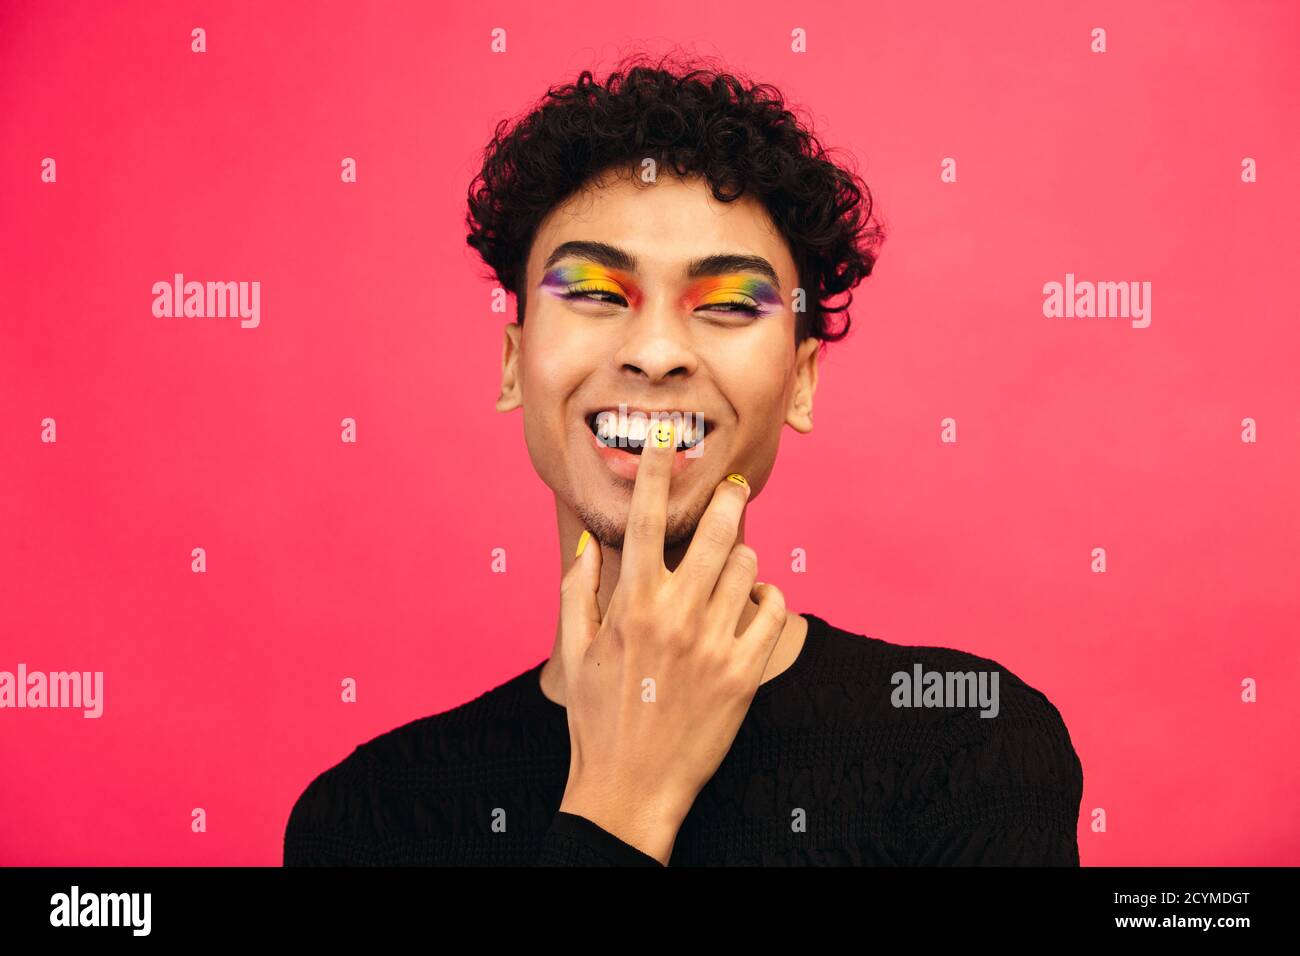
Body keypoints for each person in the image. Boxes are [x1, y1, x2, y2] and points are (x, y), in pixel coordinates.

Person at [283, 53, 1084, 866]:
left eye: (731, 304)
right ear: (513, 365)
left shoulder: (968, 748)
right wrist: (619, 804)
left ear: (800, 382)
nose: (658, 351)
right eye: (595, 292)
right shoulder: (368, 821)